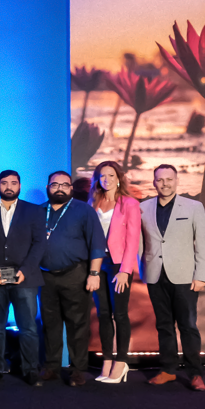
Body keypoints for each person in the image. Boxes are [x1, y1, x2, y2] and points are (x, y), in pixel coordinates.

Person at [140, 164, 205, 391]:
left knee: (188, 325)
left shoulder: (193, 207)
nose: (165, 184)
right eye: (160, 179)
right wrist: (139, 270)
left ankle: (195, 373)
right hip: (155, 275)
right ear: (154, 182)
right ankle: (168, 370)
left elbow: (203, 244)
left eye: (169, 179)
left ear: (177, 181)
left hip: (185, 276)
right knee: (164, 325)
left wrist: (201, 275)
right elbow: (140, 243)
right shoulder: (143, 208)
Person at [37, 170, 106, 387]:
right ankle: (52, 367)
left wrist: (94, 274)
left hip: (75, 274)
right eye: (55, 184)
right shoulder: (38, 211)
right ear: (48, 187)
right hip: (45, 277)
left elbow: (97, 244)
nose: (59, 188)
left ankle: (77, 370)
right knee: (50, 324)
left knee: (78, 325)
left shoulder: (84, 210)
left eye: (64, 185)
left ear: (71, 188)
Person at [0, 170, 45, 386]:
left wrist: (25, 270)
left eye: (13, 183)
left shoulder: (34, 211)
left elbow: (39, 244)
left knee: (28, 327)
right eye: (4, 183)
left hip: (25, 278)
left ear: (20, 185)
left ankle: (31, 369)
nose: (9, 186)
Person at [88, 160, 141, 384]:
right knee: (103, 314)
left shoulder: (129, 203)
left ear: (118, 178)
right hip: (98, 264)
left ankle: (121, 361)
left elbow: (133, 240)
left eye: (111, 175)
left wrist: (125, 271)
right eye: (102, 176)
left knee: (119, 314)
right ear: (97, 179)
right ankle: (107, 360)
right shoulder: (93, 202)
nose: (106, 179)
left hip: (119, 265)